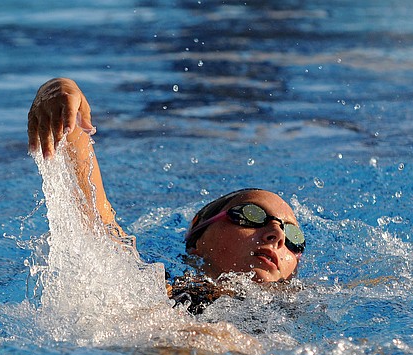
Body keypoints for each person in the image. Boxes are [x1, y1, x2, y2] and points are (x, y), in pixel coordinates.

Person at [27, 78, 306, 313]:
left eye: (294, 237)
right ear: (198, 235)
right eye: (251, 215)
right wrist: (60, 90)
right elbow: (94, 216)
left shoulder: (313, 304)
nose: (277, 236)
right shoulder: (148, 288)